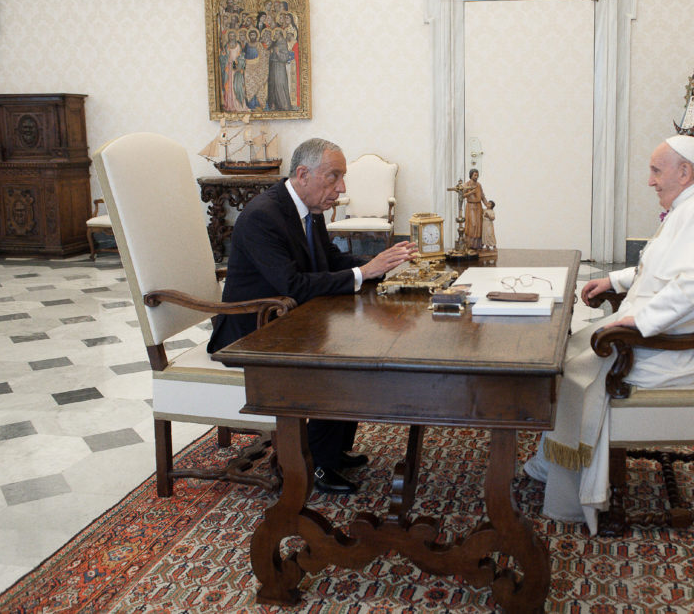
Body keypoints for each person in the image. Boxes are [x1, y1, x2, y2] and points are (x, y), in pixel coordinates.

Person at [523, 135, 694, 533]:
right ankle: (554, 459)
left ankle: (571, 480)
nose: (650, 181)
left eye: (655, 170)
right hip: (685, 328)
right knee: (573, 344)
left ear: (684, 172)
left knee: (583, 366)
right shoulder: (693, 204)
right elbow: (661, 267)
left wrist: (638, 323)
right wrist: (613, 280)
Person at [207, 138, 417, 494]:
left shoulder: (308, 210)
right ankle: (316, 463)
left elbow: (330, 262)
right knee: (338, 355)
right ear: (303, 174)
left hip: (287, 319)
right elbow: (292, 285)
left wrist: (381, 265)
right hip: (251, 331)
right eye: (333, 177)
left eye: (342, 177)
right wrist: (364, 273)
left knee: (358, 340)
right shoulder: (262, 217)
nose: (342, 188)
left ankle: (332, 450)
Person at [462, 168, 486, 249]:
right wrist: (471, 192)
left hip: (478, 206)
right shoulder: (466, 184)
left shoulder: (479, 185)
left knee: (479, 225)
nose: (476, 176)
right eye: (475, 175)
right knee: (473, 224)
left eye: (477, 175)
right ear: (471, 175)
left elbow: (482, 196)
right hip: (471, 206)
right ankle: (470, 245)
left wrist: (488, 205)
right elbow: (462, 195)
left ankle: (477, 245)